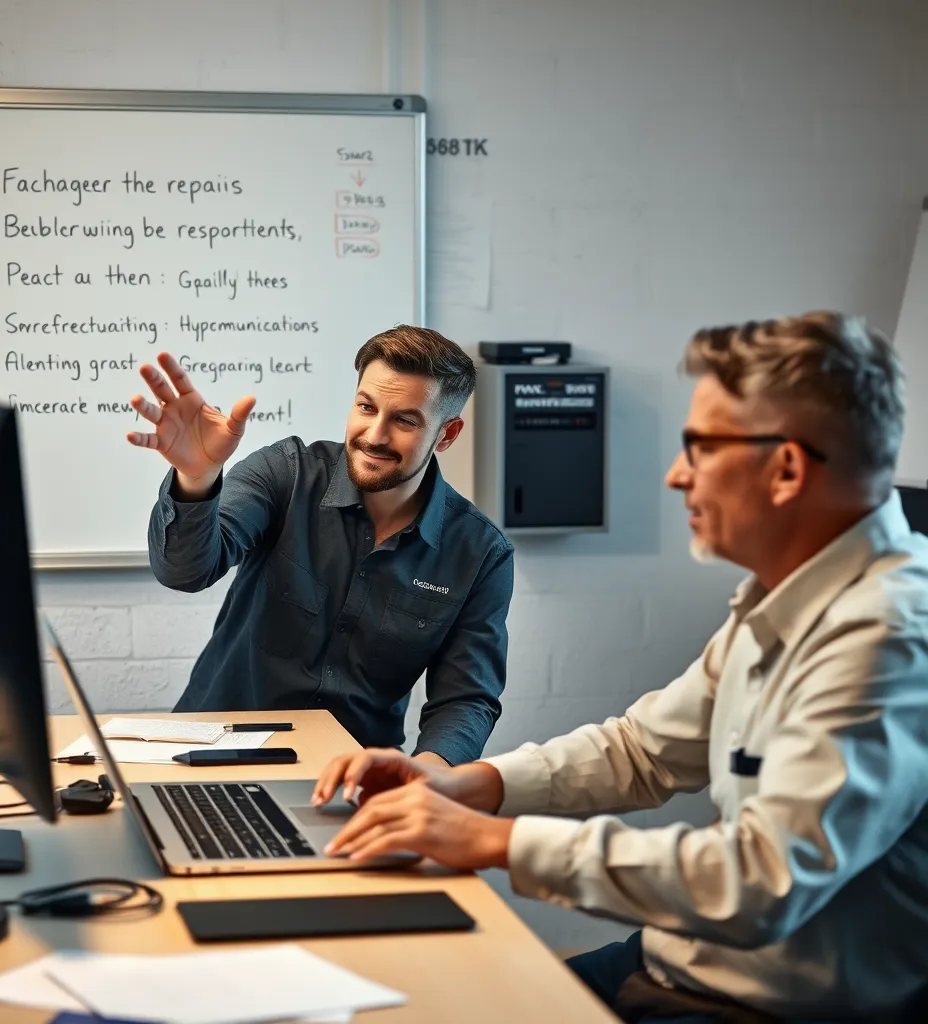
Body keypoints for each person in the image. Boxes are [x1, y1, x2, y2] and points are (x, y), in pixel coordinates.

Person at [313, 311, 928, 1022]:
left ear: (786, 468)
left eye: (699, 448)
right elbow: (640, 752)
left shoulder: (888, 637)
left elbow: (761, 882)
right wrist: (464, 786)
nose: (675, 475)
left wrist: (499, 842)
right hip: (679, 960)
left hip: (765, 1006)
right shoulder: (785, 595)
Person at [128, 326, 514, 767]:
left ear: (446, 435)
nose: (375, 434)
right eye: (366, 407)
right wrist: (196, 479)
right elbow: (186, 571)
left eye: (405, 420)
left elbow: (466, 697)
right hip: (212, 754)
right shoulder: (286, 473)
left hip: (353, 774)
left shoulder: (481, 553)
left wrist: (428, 771)